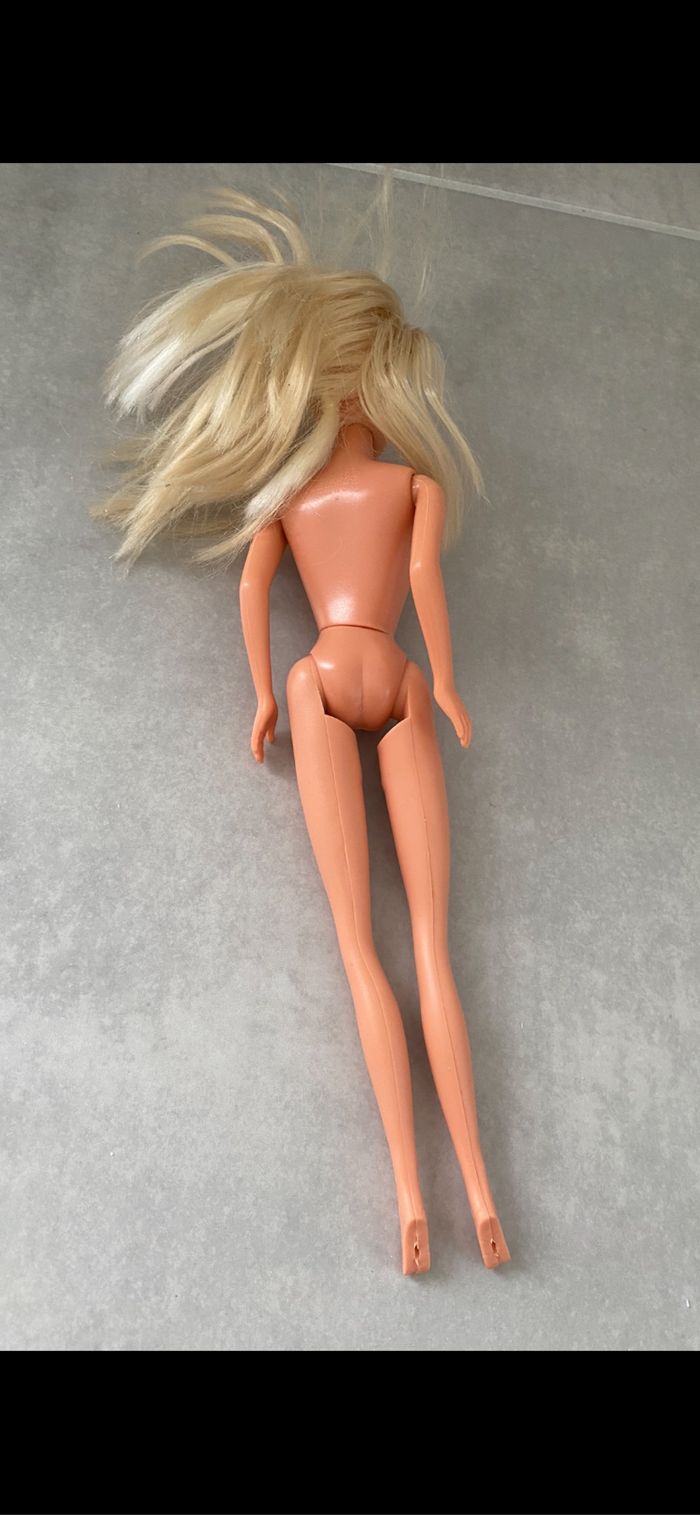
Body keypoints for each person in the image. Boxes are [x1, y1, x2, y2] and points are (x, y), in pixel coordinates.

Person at [99, 187, 510, 1275]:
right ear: (372, 377)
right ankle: (477, 1192)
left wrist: (266, 695)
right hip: (399, 678)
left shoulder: (287, 498)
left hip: (321, 675)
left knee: (360, 946)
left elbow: (254, 592)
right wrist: (446, 685)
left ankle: (413, 1196)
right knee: (432, 944)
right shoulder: (413, 483)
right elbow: (424, 586)